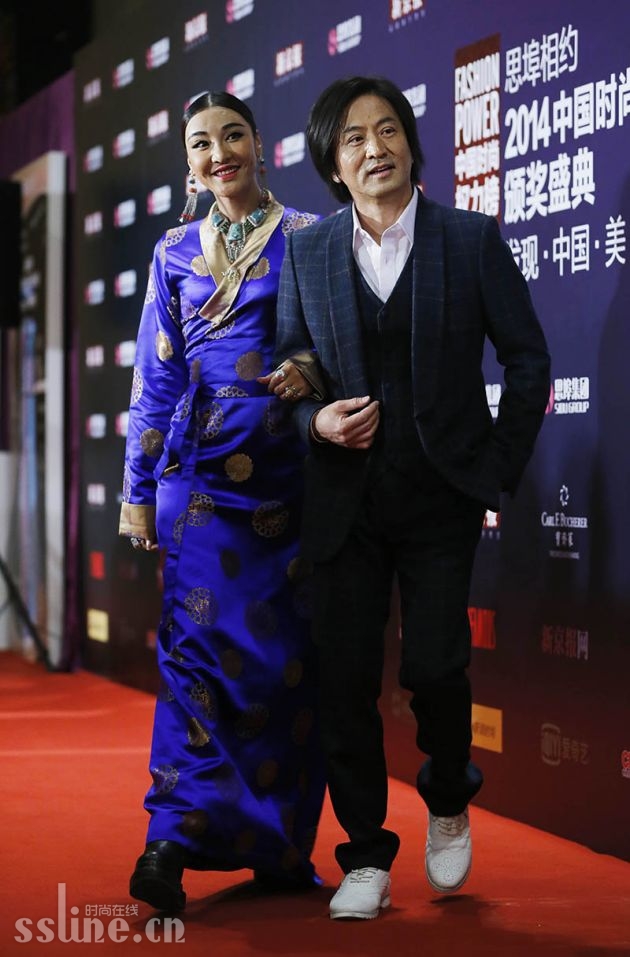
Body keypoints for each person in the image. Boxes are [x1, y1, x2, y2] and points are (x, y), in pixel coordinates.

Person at [274, 75, 551, 920]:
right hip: (343, 503)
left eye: (388, 129)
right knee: (346, 679)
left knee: (435, 666)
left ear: (411, 142)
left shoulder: (468, 239)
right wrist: (317, 421)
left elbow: (529, 360)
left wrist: (493, 466)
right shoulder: (309, 252)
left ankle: (448, 795)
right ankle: (364, 852)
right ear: (333, 165)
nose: (376, 148)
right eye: (354, 138)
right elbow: (290, 372)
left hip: (440, 497)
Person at [119, 90, 326, 913]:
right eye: (201, 144)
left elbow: (342, 345)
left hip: (292, 486)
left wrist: (310, 368)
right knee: (192, 664)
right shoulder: (173, 250)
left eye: (231, 135)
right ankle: (168, 842)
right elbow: (155, 377)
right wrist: (138, 493)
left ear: (259, 143)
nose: (219, 154)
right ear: (190, 165)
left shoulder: (310, 236)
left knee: (284, 671)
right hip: (201, 488)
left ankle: (278, 847)